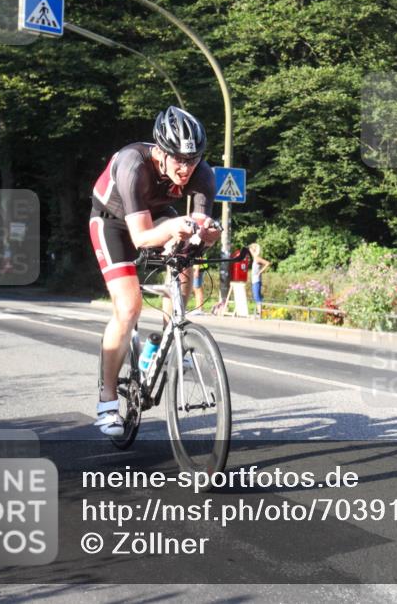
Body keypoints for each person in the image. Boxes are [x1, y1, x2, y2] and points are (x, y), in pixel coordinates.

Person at [88, 106, 221, 435]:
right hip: (113, 223)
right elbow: (141, 237)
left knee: (185, 258)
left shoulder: (203, 174)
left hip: (159, 216)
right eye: (178, 159)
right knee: (129, 306)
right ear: (160, 151)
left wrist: (206, 235)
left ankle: (168, 338)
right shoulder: (133, 164)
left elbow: (200, 226)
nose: (186, 168)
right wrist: (178, 226)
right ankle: (107, 403)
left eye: (193, 160)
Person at [248, 242, 270, 316]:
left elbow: (267, 263)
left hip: (257, 280)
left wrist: (260, 272)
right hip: (255, 280)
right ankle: (259, 312)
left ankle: (259, 313)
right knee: (257, 296)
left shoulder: (257, 258)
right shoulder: (255, 258)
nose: (250, 252)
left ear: (253, 250)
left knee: (257, 297)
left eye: (251, 250)